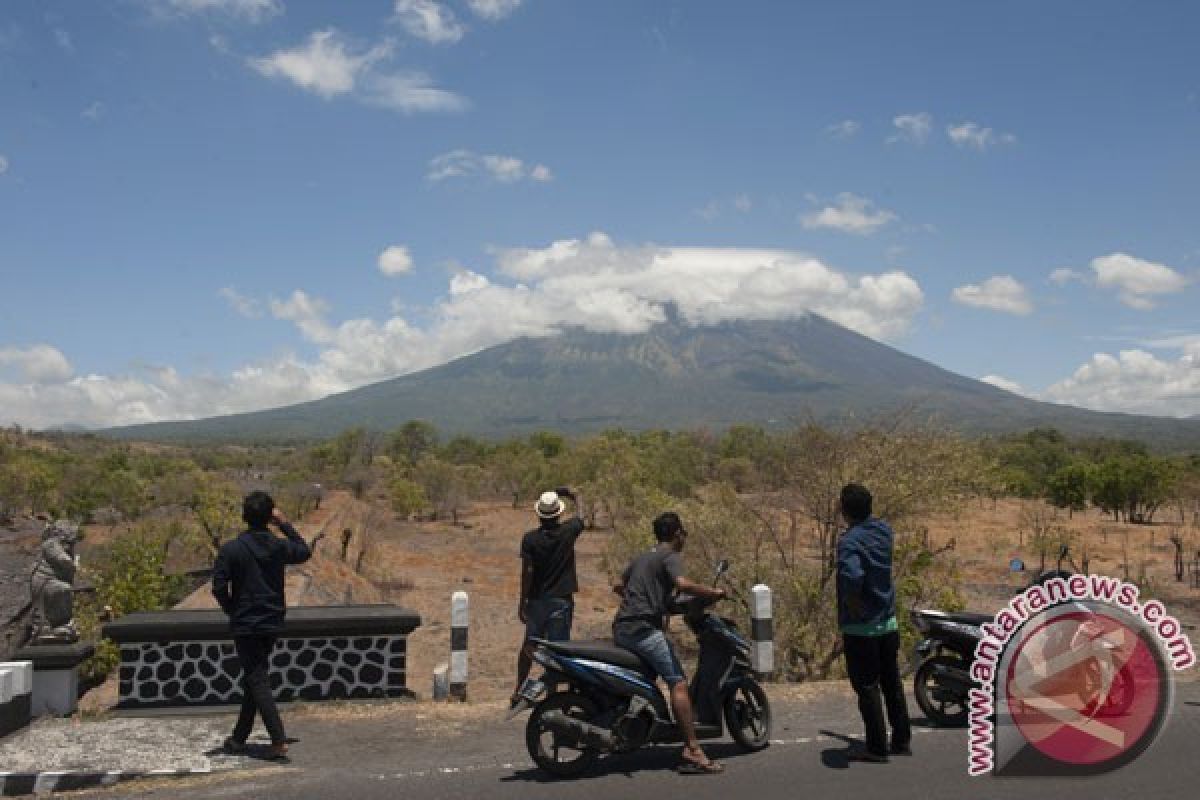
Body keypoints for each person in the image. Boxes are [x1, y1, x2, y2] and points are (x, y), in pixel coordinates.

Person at [612, 512, 725, 774]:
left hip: (623, 627)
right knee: (678, 682)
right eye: (683, 533)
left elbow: (619, 585)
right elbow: (682, 584)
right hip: (642, 629)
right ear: (677, 535)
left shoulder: (643, 556)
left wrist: (649, 601)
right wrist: (713, 592)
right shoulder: (669, 555)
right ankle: (693, 749)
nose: (684, 537)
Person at [212, 491, 312, 761]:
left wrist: (233, 611)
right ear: (270, 517)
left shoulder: (231, 549)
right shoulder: (278, 546)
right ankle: (238, 738)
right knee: (254, 679)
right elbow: (303, 551)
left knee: (256, 678)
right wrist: (285, 524)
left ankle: (277, 740)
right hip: (272, 621)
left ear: (244, 516)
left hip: (246, 623)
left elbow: (219, 587)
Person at [836, 483, 911, 763]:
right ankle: (901, 740)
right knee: (891, 682)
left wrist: (854, 607)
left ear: (844, 509)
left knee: (867, 687)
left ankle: (877, 747)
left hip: (861, 628)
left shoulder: (849, 541)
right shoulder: (883, 530)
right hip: (887, 621)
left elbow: (852, 577)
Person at [512, 487, 586, 706]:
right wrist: (573, 495)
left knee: (529, 645)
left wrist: (522, 601)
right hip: (561, 600)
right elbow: (581, 515)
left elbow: (527, 573)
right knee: (557, 648)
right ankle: (553, 694)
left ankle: (518, 689)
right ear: (559, 513)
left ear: (539, 514)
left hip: (536, 600)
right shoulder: (568, 532)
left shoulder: (530, 540)